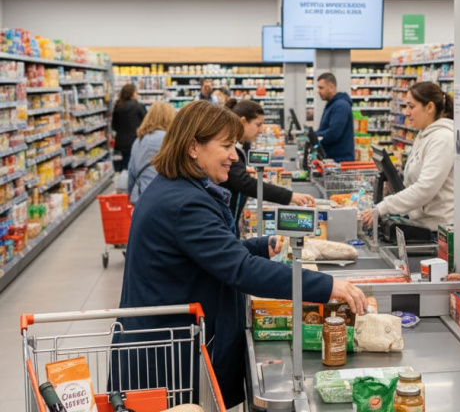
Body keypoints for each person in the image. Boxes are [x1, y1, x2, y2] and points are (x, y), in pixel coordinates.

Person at [113, 100, 367, 408]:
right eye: (226, 146)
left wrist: (260, 246)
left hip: (166, 342)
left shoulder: (176, 188)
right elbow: (242, 270)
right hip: (167, 357)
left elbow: (204, 254)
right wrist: (327, 285)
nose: (234, 156)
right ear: (193, 148)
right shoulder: (185, 203)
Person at [360, 82, 454, 232]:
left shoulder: (442, 139)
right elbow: (413, 182)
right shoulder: (423, 134)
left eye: (411, 106)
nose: (406, 112)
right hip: (421, 224)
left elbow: (425, 188)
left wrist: (384, 206)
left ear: (430, 107)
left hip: (439, 231)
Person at [220, 98, 316, 235]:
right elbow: (246, 184)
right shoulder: (231, 150)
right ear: (243, 121)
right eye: (258, 125)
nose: (261, 130)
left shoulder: (239, 146)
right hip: (224, 225)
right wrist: (289, 196)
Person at [127, 101, 176, 204]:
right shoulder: (171, 140)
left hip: (143, 197)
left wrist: (131, 194)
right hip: (168, 197)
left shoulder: (138, 141)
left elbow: (132, 172)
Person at [315, 72, 355, 162]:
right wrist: (312, 136)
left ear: (331, 87)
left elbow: (333, 134)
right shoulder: (331, 105)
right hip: (332, 160)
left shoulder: (341, 106)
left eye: (321, 88)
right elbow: (324, 129)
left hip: (340, 161)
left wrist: (314, 138)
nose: (318, 91)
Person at [111, 83, 146, 172]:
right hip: (135, 141)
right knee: (134, 167)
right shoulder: (138, 106)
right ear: (132, 94)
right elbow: (146, 123)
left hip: (120, 143)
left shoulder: (117, 107)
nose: (137, 95)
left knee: (122, 167)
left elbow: (114, 126)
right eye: (136, 93)